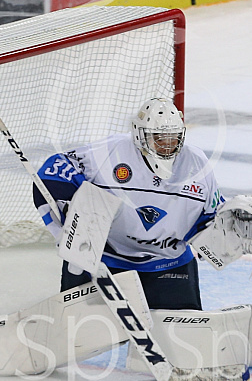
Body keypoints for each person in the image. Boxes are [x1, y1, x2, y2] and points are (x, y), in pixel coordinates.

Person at [33, 98, 222, 311]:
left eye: (173, 137)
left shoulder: (197, 163)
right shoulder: (111, 151)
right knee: (79, 338)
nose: (166, 144)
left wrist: (226, 230)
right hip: (103, 260)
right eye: (158, 137)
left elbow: (210, 216)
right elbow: (52, 171)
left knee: (180, 340)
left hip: (169, 263)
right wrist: (68, 224)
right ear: (139, 134)